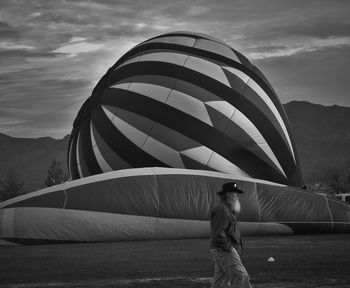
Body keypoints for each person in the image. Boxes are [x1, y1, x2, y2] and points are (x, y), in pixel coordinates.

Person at [210, 182, 253, 288]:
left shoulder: (228, 210)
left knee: (220, 281)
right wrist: (228, 248)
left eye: (237, 194)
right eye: (234, 193)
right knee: (240, 276)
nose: (237, 196)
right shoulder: (222, 209)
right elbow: (219, 231)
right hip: (224, 249)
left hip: (221, 249)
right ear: (226, 195)